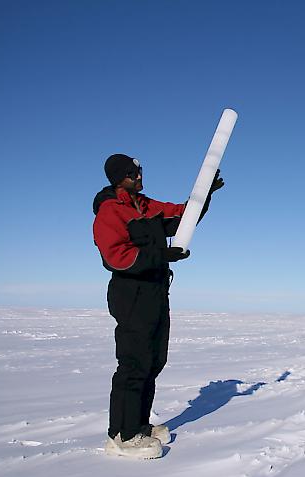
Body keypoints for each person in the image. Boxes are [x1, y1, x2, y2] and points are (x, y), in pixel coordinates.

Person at [92, 153, 223, 459]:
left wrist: (204, 195)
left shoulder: (144, 205)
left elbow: (180, 217)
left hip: (156, 290)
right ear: (118, 177)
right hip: (131, 292)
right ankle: (121, 435)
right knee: (134, 363)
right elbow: (115, 256)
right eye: (132, 174)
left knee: (154, 360)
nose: (138, 177)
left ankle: (139, 424)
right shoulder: (110, 211)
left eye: (139, 172)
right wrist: (161, 257)